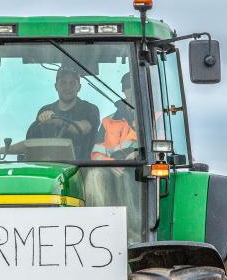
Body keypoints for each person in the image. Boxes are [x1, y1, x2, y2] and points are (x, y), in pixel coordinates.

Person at [83, 72, 142, 243]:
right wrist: (111, 163)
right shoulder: (108, 122)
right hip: (115, 171)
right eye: (129, 88)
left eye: (135, 87)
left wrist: (139, 153)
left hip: (142, 174)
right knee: (94, 175)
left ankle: (134, 236)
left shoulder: (157, 117)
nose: (132, 91)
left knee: (131, 174)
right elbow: (96, 153)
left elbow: (162, 147)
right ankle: (98, 233)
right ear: (124, 91)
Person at [26, 68, 100, 160]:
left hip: (82, 169)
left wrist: (57, 121)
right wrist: (4, 150)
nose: (68, 87)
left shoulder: (89, 109)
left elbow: (84, 128)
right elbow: (32, 143)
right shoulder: (45, 110)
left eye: (72, 83)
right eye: (63, 83)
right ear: (56, 86)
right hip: (49, 168)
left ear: (79, 87)